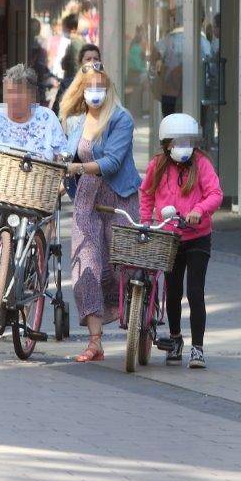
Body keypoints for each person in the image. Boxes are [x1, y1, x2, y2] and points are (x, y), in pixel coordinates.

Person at [60, 63, 141, 363]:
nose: (95, 92)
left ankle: (136, 317)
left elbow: (113, 162)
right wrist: (62, 181)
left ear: (109, 88)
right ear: (81, 90)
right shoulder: (76, 121)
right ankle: (95, 342)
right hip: (86, 200)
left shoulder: (121, 118)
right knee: (87, 267)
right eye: (89, 87)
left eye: (100, 86)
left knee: (121, 266)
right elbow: (68, 159)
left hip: (119, 196)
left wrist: (78, 168)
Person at [139, 113, 223, 369]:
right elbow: (146, 194)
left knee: (195, 292)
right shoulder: (157, 165)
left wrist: (199, 210)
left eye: (188, 141)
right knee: (173, 291)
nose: (183, 147)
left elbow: (215, 193)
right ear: (166, 144)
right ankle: (175, 339)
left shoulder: (202, 163)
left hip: (198, 236)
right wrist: (146, 222)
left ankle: (198, 348)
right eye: (177, 142)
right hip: (170, 237)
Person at [0, 64, 68, 195]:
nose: (14, 99)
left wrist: (62, 181)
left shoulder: (47, 117)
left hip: (39, 194)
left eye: (20, 94)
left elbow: (63, 155)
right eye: (10, 93)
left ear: (32, 95)